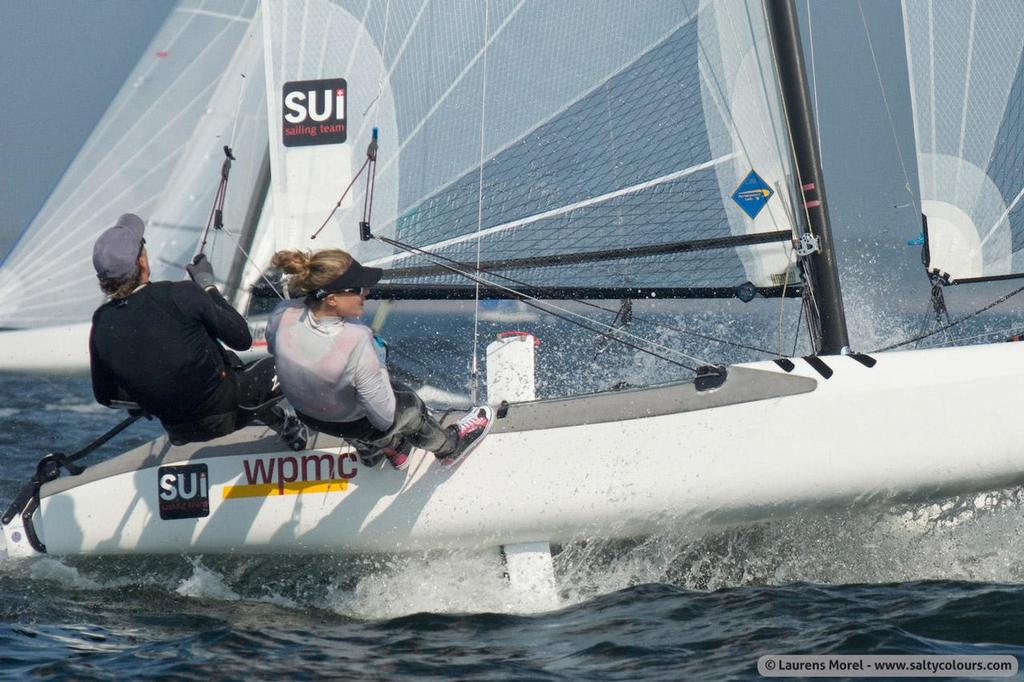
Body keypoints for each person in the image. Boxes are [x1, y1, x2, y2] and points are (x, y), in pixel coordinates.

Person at [89, 213, 307, 450]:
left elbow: (106, 396)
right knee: (298, 357)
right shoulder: (180, 294)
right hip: (230, 411)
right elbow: (242, 339)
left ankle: (284, 424)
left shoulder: (101, 321)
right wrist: (208, 286)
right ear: (141, 261)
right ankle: (343, 427)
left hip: (178, 429)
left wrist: (150, 396)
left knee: (228, 366)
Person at [265, 248, 492, 470]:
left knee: (345, 390)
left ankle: (386, 450)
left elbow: (278, 350)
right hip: (354, 424)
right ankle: (448, 448)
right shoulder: (356, 339)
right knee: (408, 404)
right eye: (359, 289)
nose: (366, 293)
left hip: (309, 417)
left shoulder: (282, 313)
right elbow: (384, 418)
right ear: (332, 299)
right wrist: (378, 360)